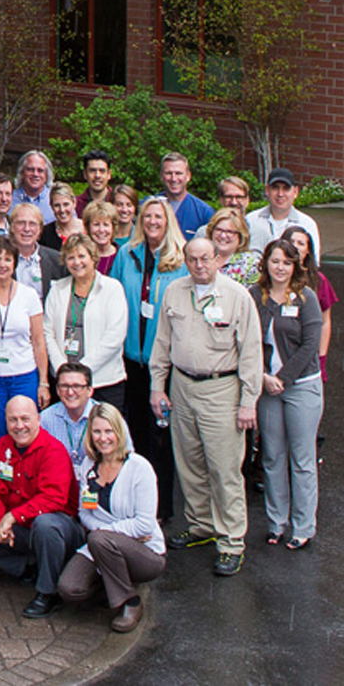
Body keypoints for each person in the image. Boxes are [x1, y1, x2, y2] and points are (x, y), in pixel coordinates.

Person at [150, 238, 262, 576]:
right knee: (190, 462)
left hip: (221, 389)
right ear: (185, 260)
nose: (199, 266)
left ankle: (231, 541)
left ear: (217, 260)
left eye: (205, 259)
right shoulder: (174, 292)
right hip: (182, 387)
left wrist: (248, 402)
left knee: (224, 468)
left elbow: (252, 352)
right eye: (193, 259)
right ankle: (201, 525)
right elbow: (162, 341)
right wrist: (158, 386)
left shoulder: (237, 296)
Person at [0, 396, 83, 619]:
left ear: (38, 419)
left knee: (45, 525)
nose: (19, 426)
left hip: (58, 526)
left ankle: (48, 592)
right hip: (21, 526)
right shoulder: (3, 447)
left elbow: (53, 499)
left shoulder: (53, 451)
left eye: (25, 419)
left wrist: (11, 517)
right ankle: (28, 567)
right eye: (13, 420)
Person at [109, 197, 188, 519]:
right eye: (148, 216)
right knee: (135, 433)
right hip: (131, 359)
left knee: (162, 437)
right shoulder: (127, 255)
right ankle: (135, 501)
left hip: (162, 362)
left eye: (159, 216)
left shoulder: (180, 260)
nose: (153, 221)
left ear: (168, 220)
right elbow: (114, 298)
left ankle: (162, 507)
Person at [56, 403, 165, 633]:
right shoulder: (88, 465)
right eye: (97, 432)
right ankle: (112, 580)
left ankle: (130, 602)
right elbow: (84, 513)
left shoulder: (139, 468)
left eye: (109, 431)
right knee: (69, 589)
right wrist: (104, 536)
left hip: (145, 552)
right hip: (103, 544)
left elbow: (145, 524)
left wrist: (104, 535)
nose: (103, 438)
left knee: (99, 540)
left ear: (119, 432)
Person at [249, 239, 322, 550]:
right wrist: (264, 376)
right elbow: (247, 340)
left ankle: (303, 526)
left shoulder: (307, 299)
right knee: (272, 457)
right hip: (267, 386)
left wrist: (283, 377)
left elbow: (310, 347)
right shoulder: (254, 296)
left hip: (302, 385)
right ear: (266, 263)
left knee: (302, 459)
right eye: (274, 261)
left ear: (296, 266)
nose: (279, 267)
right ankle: (277, 522)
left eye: (286, 262)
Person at [0, 236, 49, 442]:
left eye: (7, 259)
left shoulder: (29, 295)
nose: (2, 265)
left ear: (15, 264)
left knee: (25, 431)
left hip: (24, 375)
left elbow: (38, 341)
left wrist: (43, 382)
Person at [44, 235, 128, 410]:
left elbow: (114, 336)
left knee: (104, 434)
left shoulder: (112, 288)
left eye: (82, 256)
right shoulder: (58, 289)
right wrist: (63, 370)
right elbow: (47, 332)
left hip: (104, 381)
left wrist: (81, 371)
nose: (77, 262)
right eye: (71, 257)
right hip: (64, 383)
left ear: (93, 258)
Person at [40, 362, 131, 481]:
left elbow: (127, 457)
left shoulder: (108, 417)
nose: (70, 392)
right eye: (65, 386)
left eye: (77, 386)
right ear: (57, 390)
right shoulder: (45, 419)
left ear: (89, 390)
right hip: (57, 485)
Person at [284, 227, 334, 382]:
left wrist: (322, 357)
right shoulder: (271, 280)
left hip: (308, 357)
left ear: (308, 251)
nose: (296, 246)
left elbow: (325, 322)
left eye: (301, 243)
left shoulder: (318, 280)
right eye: (292, 242)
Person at [0, 204, 66, 300]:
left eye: (32, 224)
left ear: (40, 229)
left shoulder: (57, 260)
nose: (27, 229)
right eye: (21, 223)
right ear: (11, 227)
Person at [248, 168, 320, 258]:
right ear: (267, 190)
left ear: (295, 192)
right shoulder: (251, 221)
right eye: (275, 188)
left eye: (286, 188)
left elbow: (313, 262)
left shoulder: (307, 224)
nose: (280, 194)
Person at [157, 152, 214, 240]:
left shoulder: (204, 213)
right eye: (168, 173)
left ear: (188, 176)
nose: (173, 179)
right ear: (161, 176)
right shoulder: (147, 207)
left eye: (178, 173)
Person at [208, 207, 262, 286]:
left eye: (229, 232)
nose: (223, 236)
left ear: (240, 236)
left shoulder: (251, 265)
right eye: (219, 230)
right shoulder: (199, 258)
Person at [11, 150, 56, 224]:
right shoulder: (9, 199)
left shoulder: (56, 199)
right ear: (22, 173)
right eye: (30, 169)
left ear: (47, 175)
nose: (35, 174)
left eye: (40, 170)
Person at [40, 183, 84, 251]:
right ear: (51, 206)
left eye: (66, 204)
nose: (62, 210)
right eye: (57, 205)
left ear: (74, 203)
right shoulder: (45, 234)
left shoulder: (87, 228)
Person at [82, 200, 120, 274]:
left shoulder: (122, 256)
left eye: (106, 224)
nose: (101, 230)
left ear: (113, 227)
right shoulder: (81, 256)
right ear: (88, 227)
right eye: (96, 224)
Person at [75, 151, 114, 216]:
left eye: (102, 171)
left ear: (109, 174)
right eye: (92, 171)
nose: (97, 175)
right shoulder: (76, 205)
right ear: (85, 174)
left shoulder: (118, 203)